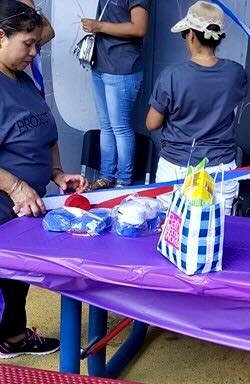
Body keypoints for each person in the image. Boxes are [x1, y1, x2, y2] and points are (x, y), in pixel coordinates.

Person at [0, 0, 88, 358]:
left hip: (24, 206)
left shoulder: (23, 79)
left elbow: (45, 131)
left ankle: (14, 338)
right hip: (6, 203)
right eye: (28, 44)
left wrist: (56, 173)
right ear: (0, 37)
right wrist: (16, 186)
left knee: (16, 281)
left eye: (37, 44)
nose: (35, 52)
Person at [146, 1, 248, 214]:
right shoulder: (236, 73)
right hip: (220, 170)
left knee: (170, 230)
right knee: (212, 234)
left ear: (191, 35)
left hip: (175, 168)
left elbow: (152, 123)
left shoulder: (171, 76)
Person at [81, 0, 151, 190]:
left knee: (120, 128)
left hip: (122, 68)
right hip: (100, 65)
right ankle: (106, 176)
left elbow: (139, 27)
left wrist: (99, 26)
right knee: (106, 126)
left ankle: (123, 180)